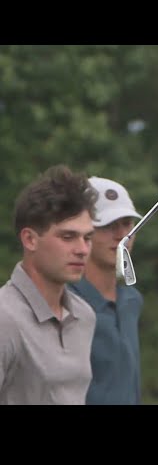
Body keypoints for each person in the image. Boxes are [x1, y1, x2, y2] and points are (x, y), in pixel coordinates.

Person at [0, 165, 97, 405]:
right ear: (30, 239)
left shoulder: (84, 316)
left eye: (87, 238)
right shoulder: (5, 318)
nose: (82, 250)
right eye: (67, 237)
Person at [68, 177, 144, 405]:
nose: (121, 235)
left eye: (127, 223)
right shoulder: (63, 300)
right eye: (108, 225)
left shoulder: (132, 300)